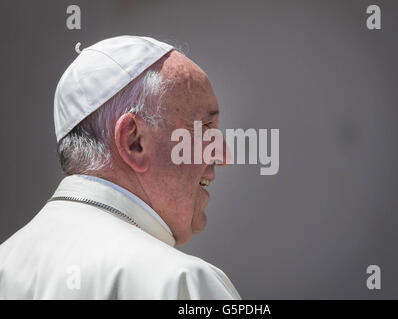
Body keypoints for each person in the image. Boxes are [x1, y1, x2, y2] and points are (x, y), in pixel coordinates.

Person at [0, 36, 241, 299]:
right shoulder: (181, 283)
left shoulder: (5, 265)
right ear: (134, 141)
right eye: (204, 129)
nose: (224, 156)